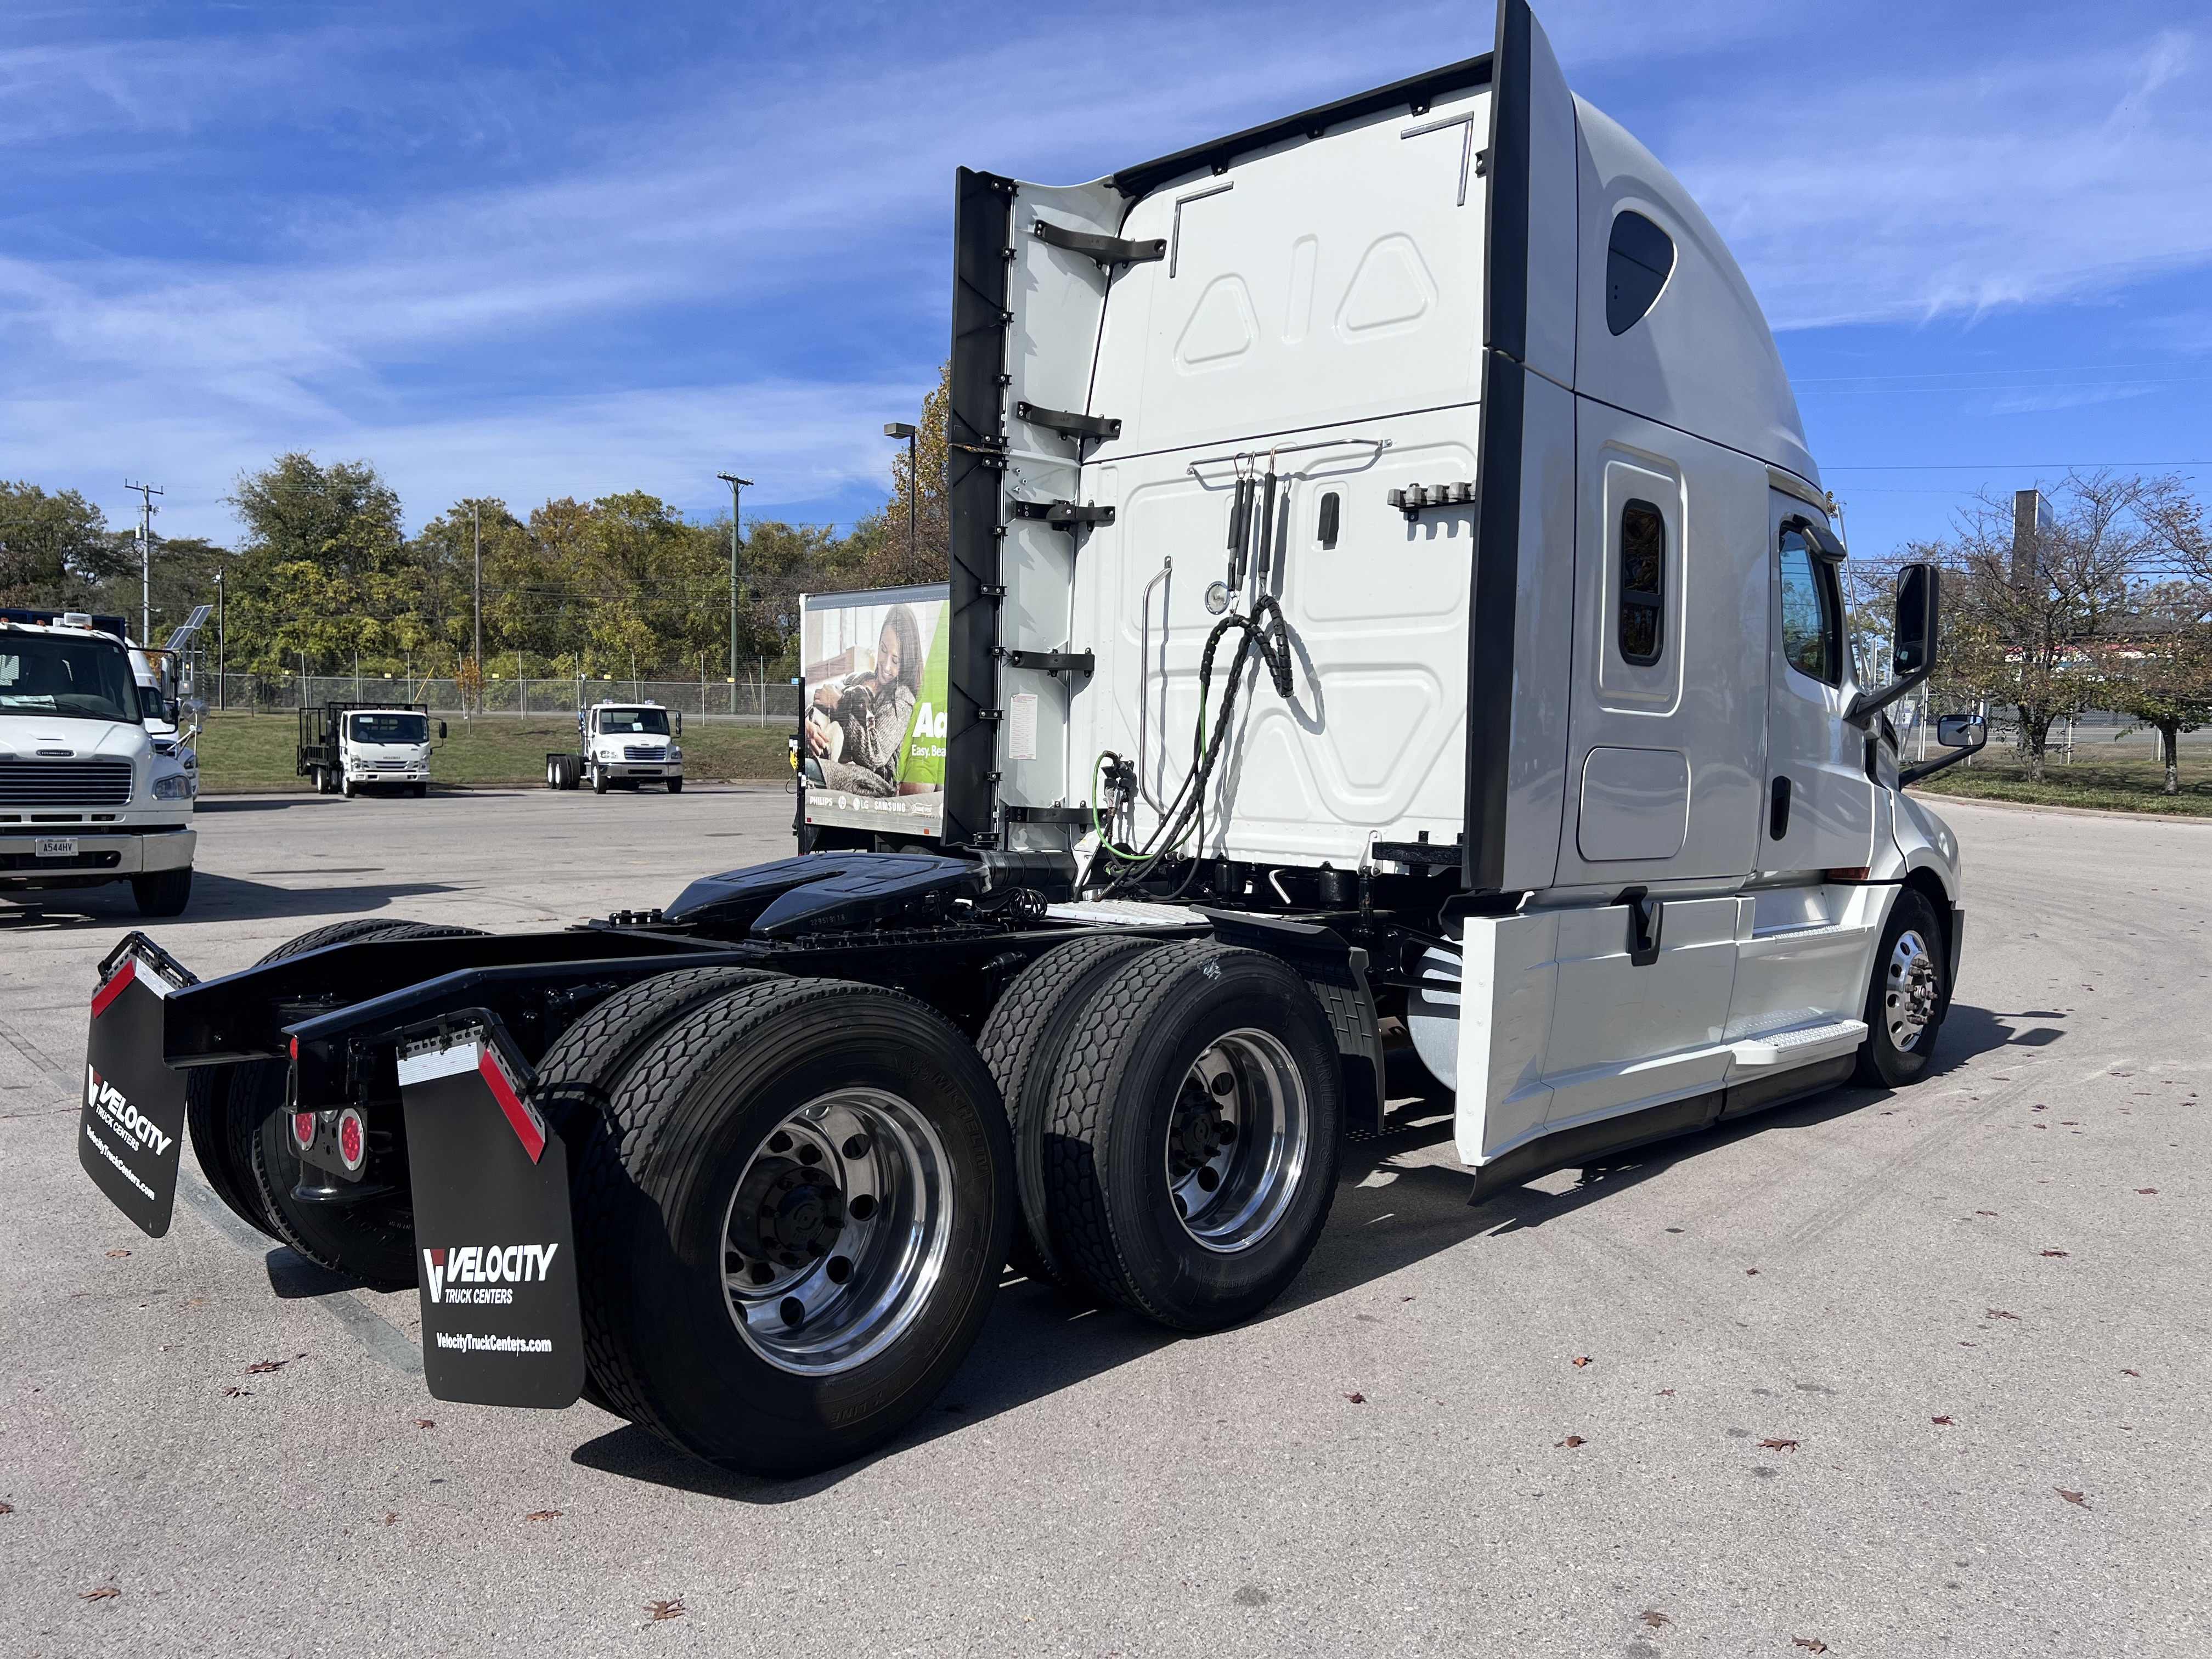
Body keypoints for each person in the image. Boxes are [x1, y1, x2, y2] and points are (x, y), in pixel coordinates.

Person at [805, 605, 922, 797]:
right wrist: (808, 726)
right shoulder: (857, 679)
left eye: (896, 660)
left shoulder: (902, 699)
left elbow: (874, 755)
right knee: (807, 768)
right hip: (832, 759)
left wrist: (839, 704)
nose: (885, 665)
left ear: (907, 662)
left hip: (868, 780)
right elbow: (816, 702)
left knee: (810, 769)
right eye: (883, 651)